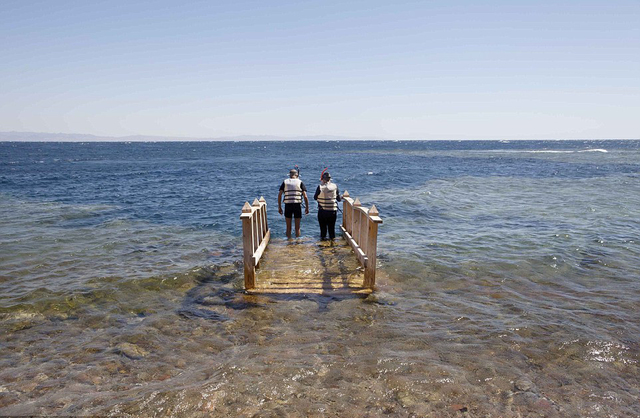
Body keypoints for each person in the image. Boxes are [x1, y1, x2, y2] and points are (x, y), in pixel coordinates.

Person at [278, 168, 309, 238]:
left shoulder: (285, 182)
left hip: (288, 205)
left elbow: (279, 194)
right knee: (297, 228)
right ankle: (298, 242)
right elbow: (305, 196)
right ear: (297, 175)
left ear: (290, 175)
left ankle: (289, 242)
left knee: (288, 227)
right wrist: (307, 207)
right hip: (297, 205)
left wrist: (279, 207)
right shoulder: (300, 182)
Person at [314, 171, 342, 240]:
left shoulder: (320, 187)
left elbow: (315, 197)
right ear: (330, 179)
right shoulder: (335, 186)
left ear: (323, 179)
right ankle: (332, 246)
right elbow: (338, 199)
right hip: (332, 211)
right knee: (331, 230)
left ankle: (323, 247)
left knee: (323, 231)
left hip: (322, 211)